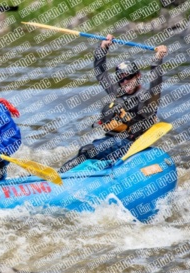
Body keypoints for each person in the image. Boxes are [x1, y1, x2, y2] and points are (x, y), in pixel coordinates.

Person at [59, 35, 168, 173]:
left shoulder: (148, 97)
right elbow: (100, 73)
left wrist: (157, 59)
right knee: (84, 151)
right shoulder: (117, 91)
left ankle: (61, 176)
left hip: (131, 144)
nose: (125, 82)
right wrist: (102, 48)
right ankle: (60, 175)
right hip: (112, 139)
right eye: (120, 79)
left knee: (87, 151)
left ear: (138, 76)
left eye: (129, 77)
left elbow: (156, 84)